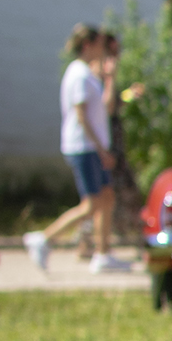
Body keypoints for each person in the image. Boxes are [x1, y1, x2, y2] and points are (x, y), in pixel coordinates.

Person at [25, 24, 127, 272]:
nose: (104, 50)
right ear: (88, 46)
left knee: (107, 198)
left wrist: (110, 78)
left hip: (93, 147)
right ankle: (43, 239)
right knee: (91, 204)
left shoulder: (88, 74)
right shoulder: (79, 75)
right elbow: (81, 116)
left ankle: (103, 254)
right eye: (100, 45)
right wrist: (101, 149)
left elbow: (104, 110)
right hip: (84, 147)